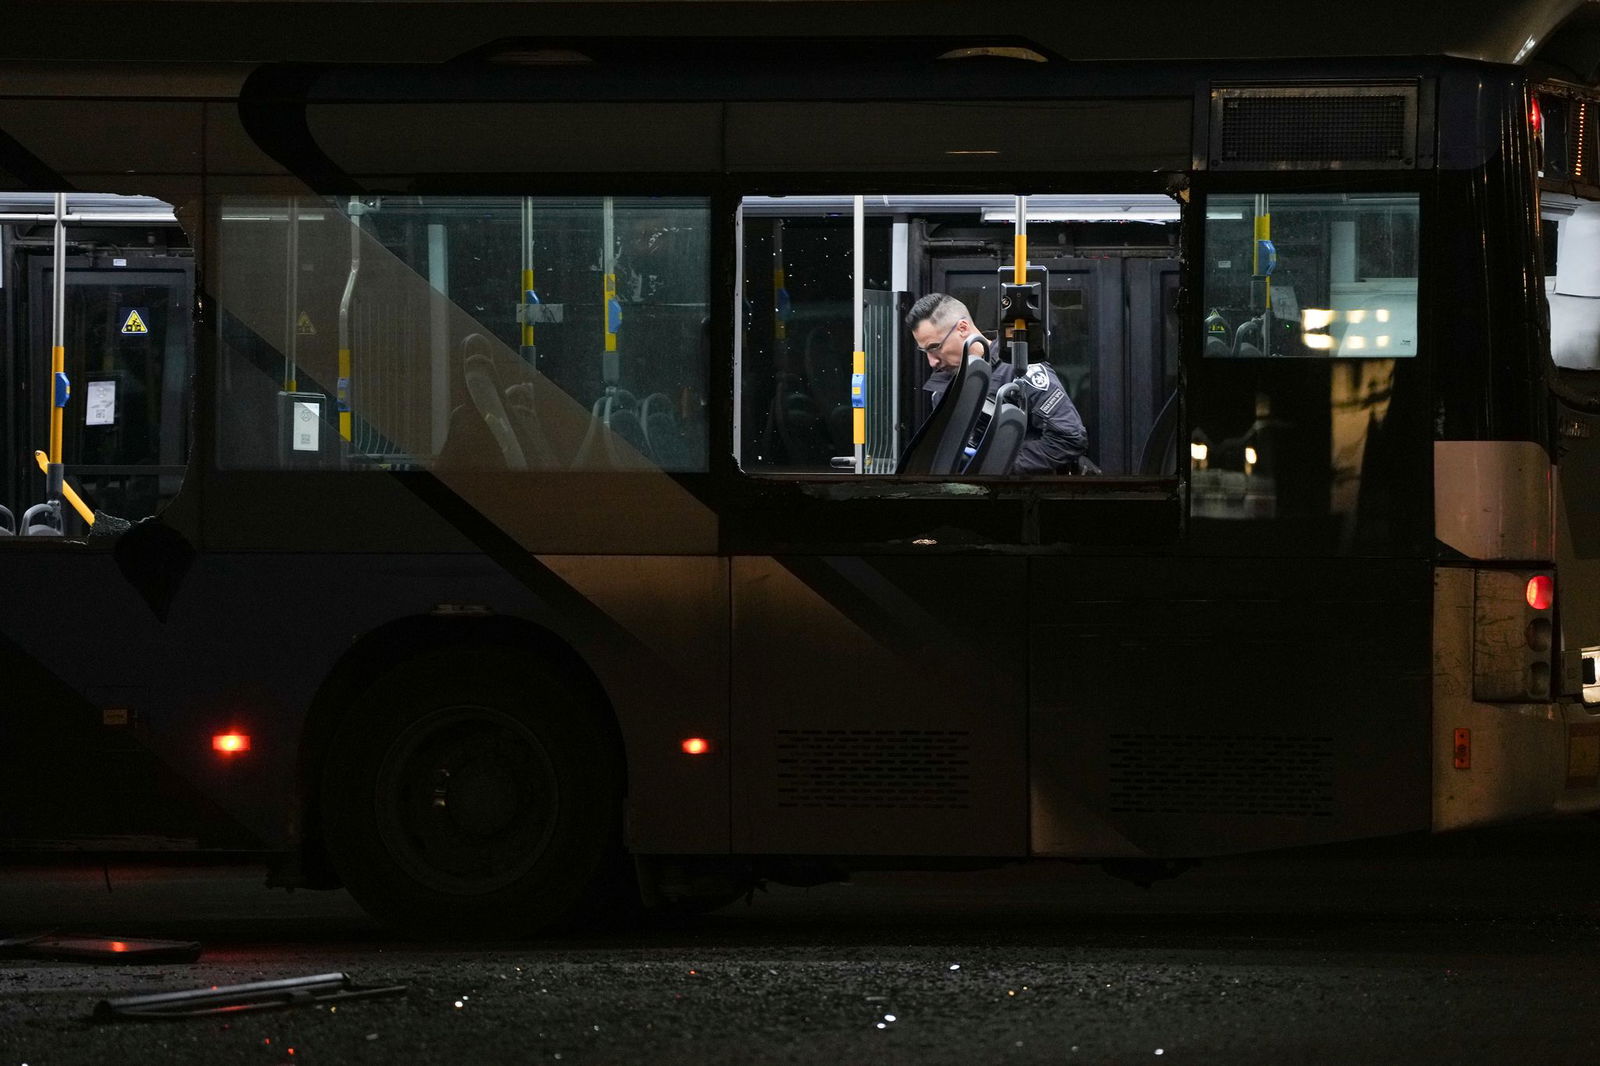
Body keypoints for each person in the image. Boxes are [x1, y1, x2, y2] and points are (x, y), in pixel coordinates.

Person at [906, 293, 1089, 474]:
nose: (932, 362)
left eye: (934, 347)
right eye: (925, 351)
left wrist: (995, 465)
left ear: (962, 328)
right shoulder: (942, 390)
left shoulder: (1020, 369)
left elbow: (1069, 437)